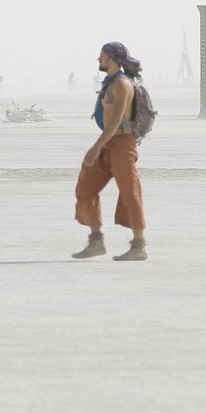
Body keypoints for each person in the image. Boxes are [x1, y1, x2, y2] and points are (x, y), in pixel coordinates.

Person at [72, 42, 148, 261]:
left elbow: (116, 120)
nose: (99, 59)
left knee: (130, 194)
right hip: (107, 143)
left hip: (122, 145)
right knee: (85, 189)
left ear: (113, 59)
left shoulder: (122, 84)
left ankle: (139, 246)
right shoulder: (111, 82)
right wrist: (100, 147)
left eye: (102, 56)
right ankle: (96, 242)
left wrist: (95, 148)